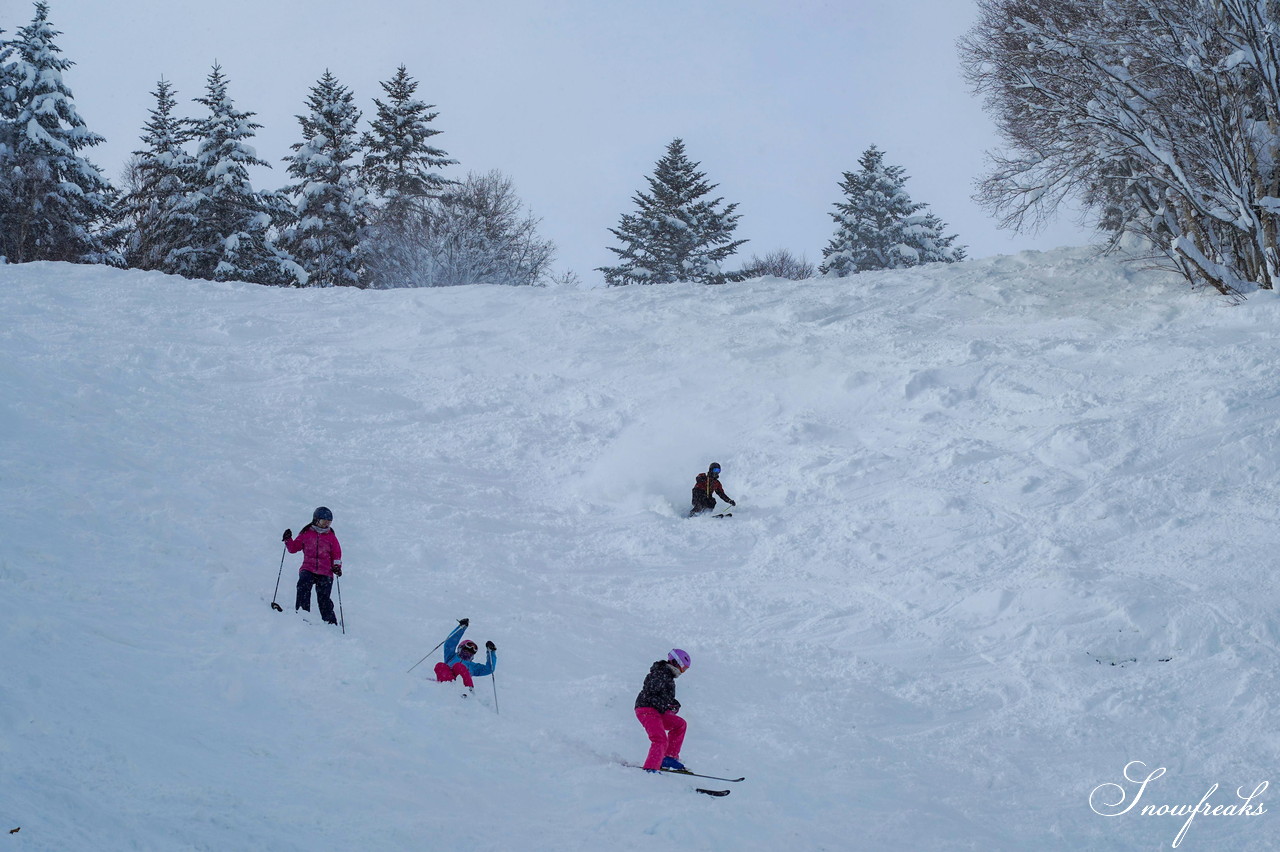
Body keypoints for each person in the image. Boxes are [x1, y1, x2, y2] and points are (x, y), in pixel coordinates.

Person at [282, 507, 342, 625]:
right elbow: (293, 548)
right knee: (303, 587)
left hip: (325, 571)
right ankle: (302, 615)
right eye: (323, 521)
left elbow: (337, 554)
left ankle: (330, 623)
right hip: (308, 568)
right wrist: (288, 539)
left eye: (328, 522)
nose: (326, 525)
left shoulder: (331, 537)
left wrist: (337, 567)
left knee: (324, 597)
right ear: (316, 520)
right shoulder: (306, 533)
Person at [634, 648, 691, 772]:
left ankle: (668, 757)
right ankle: (651, 769)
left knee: (680, 725)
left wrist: (672, 704)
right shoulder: (660, 673)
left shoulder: (668, 676)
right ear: (677, 663)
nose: (683, 672)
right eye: (684, 668)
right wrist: (666, 704)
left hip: (657, 711)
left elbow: (663, 697)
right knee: (659, 739)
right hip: (646, 709)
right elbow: (651, 694)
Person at [434, 618, 497, 690]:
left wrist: (491, 652)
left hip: (464, 688)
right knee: (440, 665)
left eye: (471, 652)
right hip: (448, 683)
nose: (468, 653)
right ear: (460, 649)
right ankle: (447, 687)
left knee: (459, 666)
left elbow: (489, 669)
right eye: (466, 650)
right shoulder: (451, 657)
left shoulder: (473, 666)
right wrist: (461, 628)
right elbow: (450, 644)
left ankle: (467, 691)